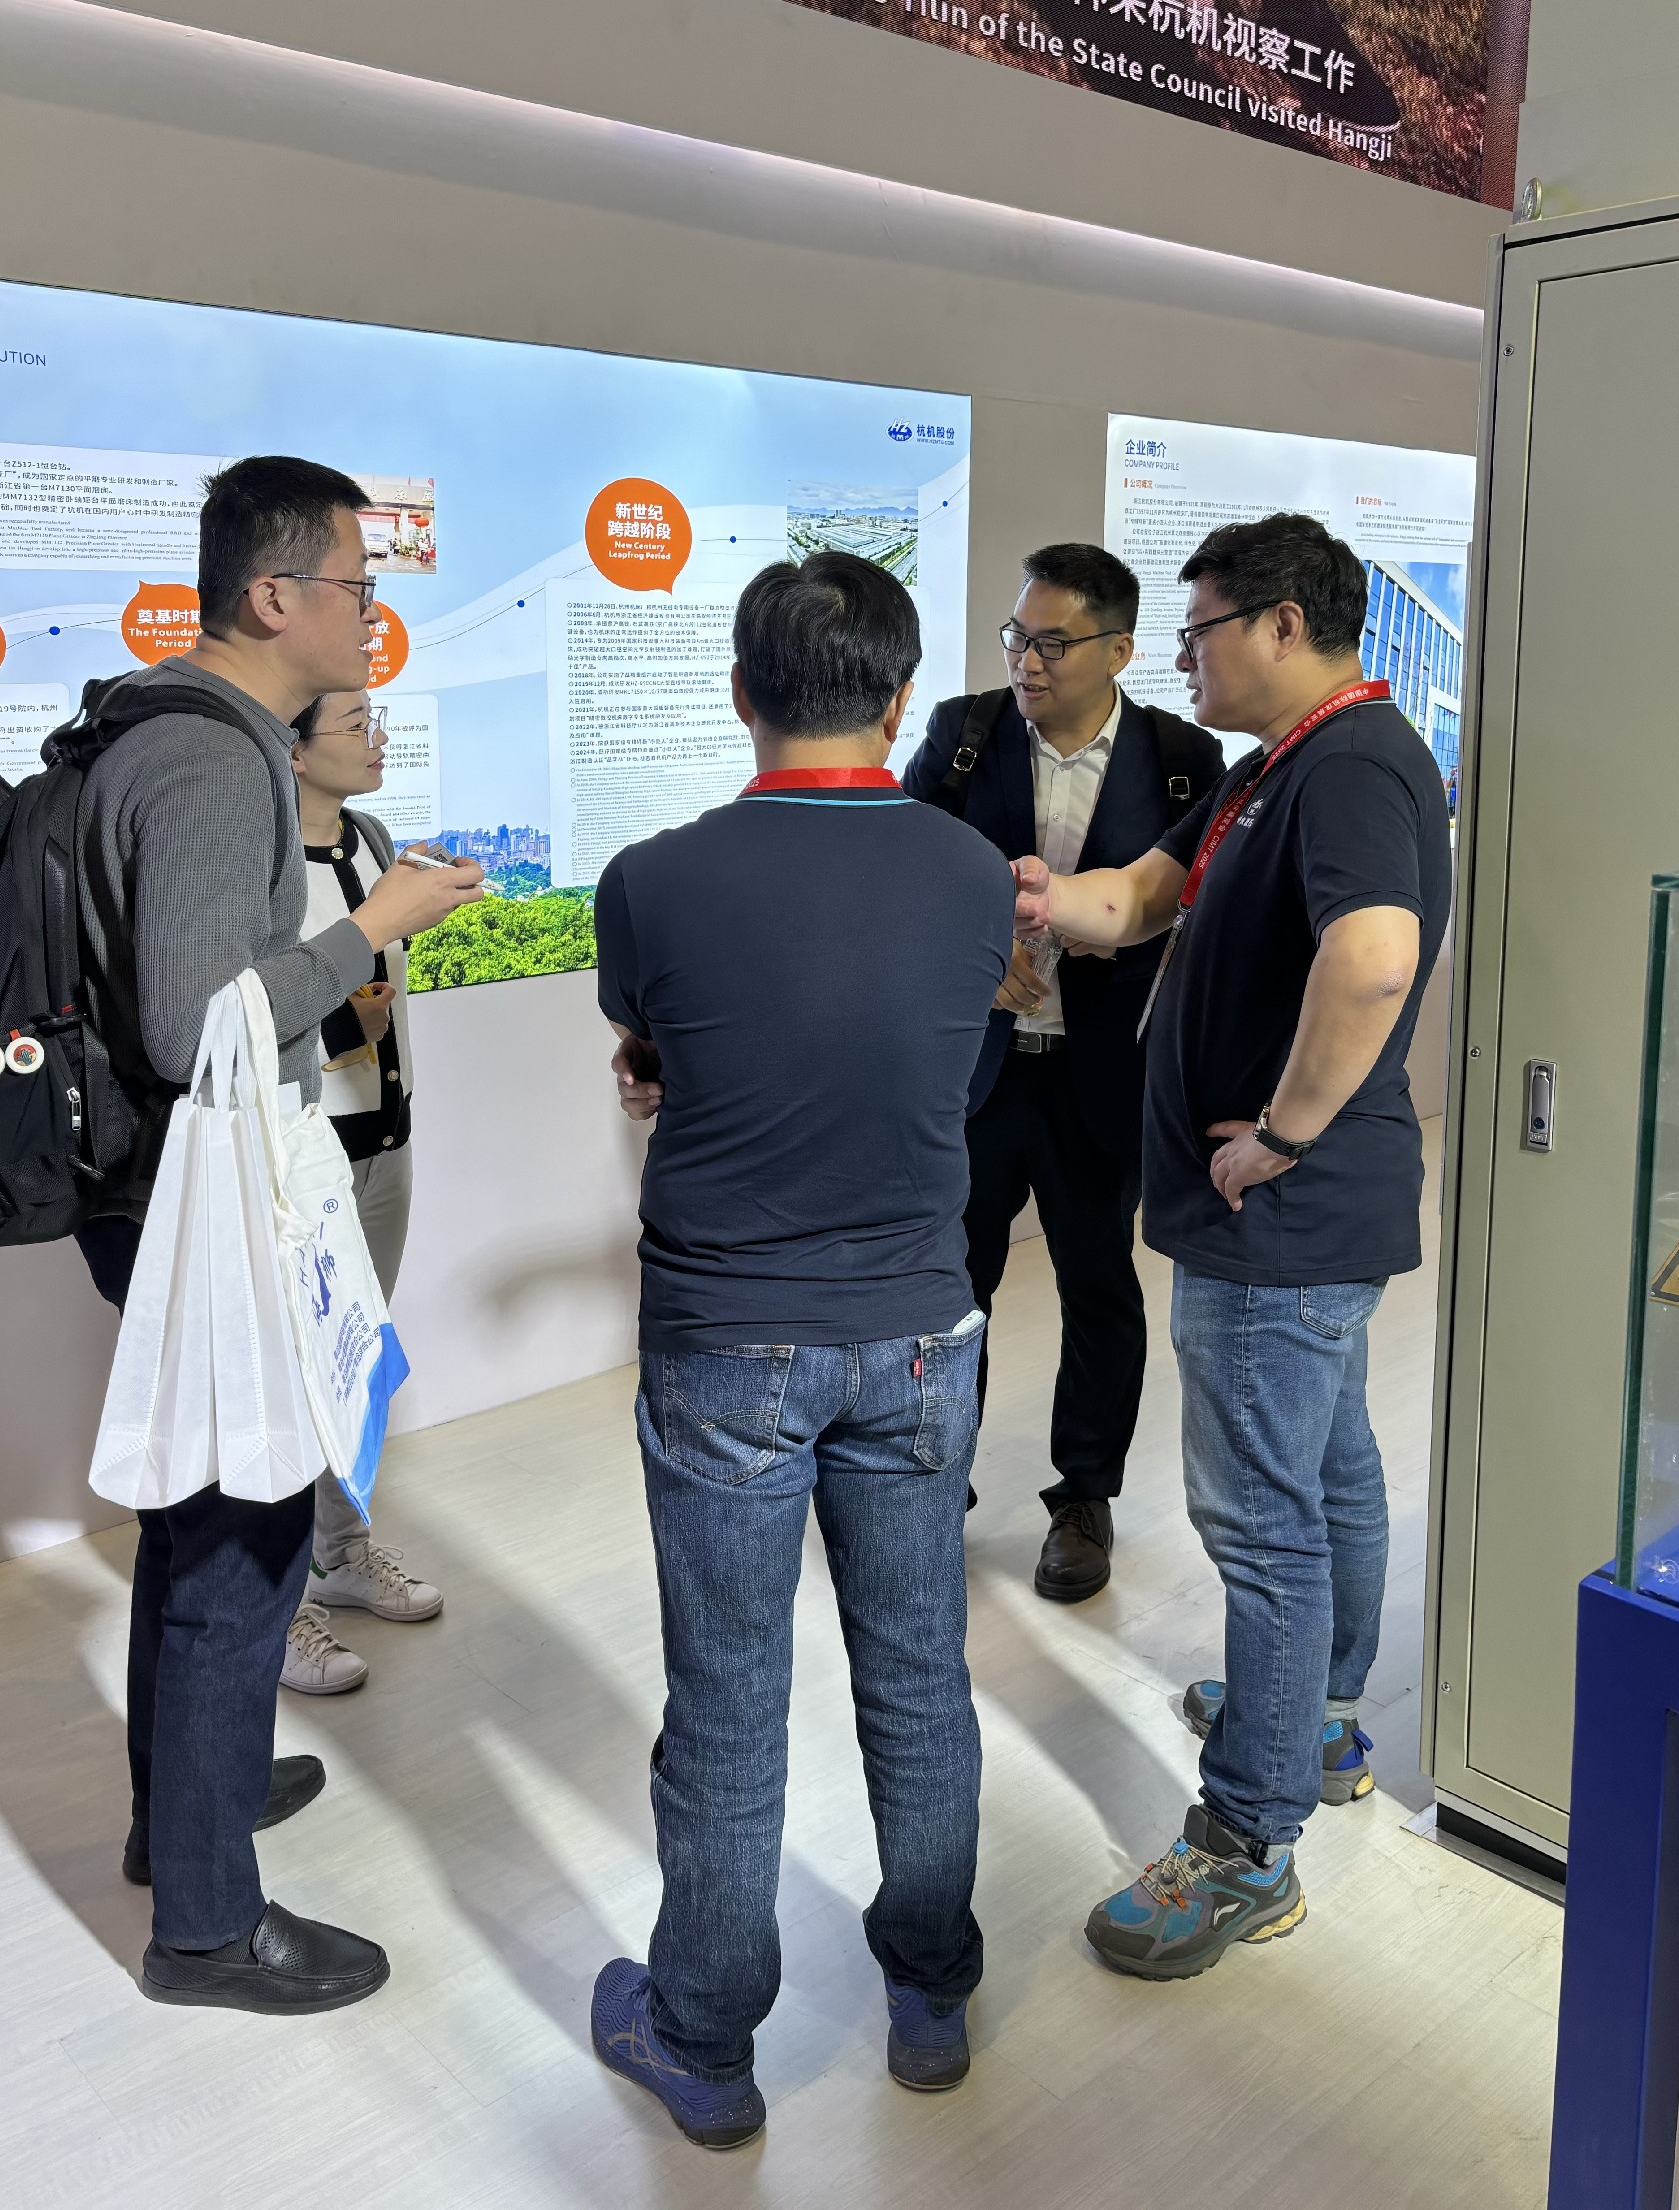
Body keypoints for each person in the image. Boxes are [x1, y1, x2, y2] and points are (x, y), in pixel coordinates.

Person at [588, 553, 1013, 2148]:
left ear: (741, 693)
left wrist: (678, 1068)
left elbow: (662, 1036)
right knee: (919, 1672)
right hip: (919, 1333)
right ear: (900, 701)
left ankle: (703, 2036)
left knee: (727, 1695)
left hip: (724, 1341)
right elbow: (934, 1059)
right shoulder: (973, 872)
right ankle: (932, 1987)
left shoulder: (651, 877)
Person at [1013, 513, 1449, 1981]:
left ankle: (1248, 1841)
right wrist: (1031, 897)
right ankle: (1314, 1722)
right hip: (1297, 1221)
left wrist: (1281, 1132)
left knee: (1264, 1525)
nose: (1183, 658)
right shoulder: (1277, 768)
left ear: (1280, 624)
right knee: (1331, 1471)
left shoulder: (1355, 766)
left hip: (1279, 1220)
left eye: (1198, 631)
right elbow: (1138, 897)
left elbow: (1373, 959)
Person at [72, 456, 483, 2012]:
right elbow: (198, 1025)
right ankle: (205, 1927)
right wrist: (374, 928)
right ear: (271, 596)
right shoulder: (206, 756)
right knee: (240, 1542)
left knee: (197, 1525)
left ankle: (189, 1805)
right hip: (202, 1198)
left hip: (180, 1193)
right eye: (358, 587)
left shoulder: (174, 730)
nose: (373, 615)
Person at [904, 545, 1223, 1600]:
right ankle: (932, 1485)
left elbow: (1194, 910)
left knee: (1097, 1286)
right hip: (978, 1072)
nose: (1026, 661)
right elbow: (900, 869)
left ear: (1119, 649)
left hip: (1100, 1076)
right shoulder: (964, 734)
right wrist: (972, 958)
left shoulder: (1181, 757)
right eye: (1017, 637)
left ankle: (1084, 1496)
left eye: (1052, 642)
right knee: (953, 1287)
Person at [273, 689, 446, 1696]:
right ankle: (275, 1607)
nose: (378, 738)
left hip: (387, 1138)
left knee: (356, 1361)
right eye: (354, 725)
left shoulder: (375, 841)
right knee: (292, 1377)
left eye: (378, 720)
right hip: (305, 1157)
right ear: (293, 753)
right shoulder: (258, 868)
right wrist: (344, 1029)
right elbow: (247, 1012)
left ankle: (340, 1555)